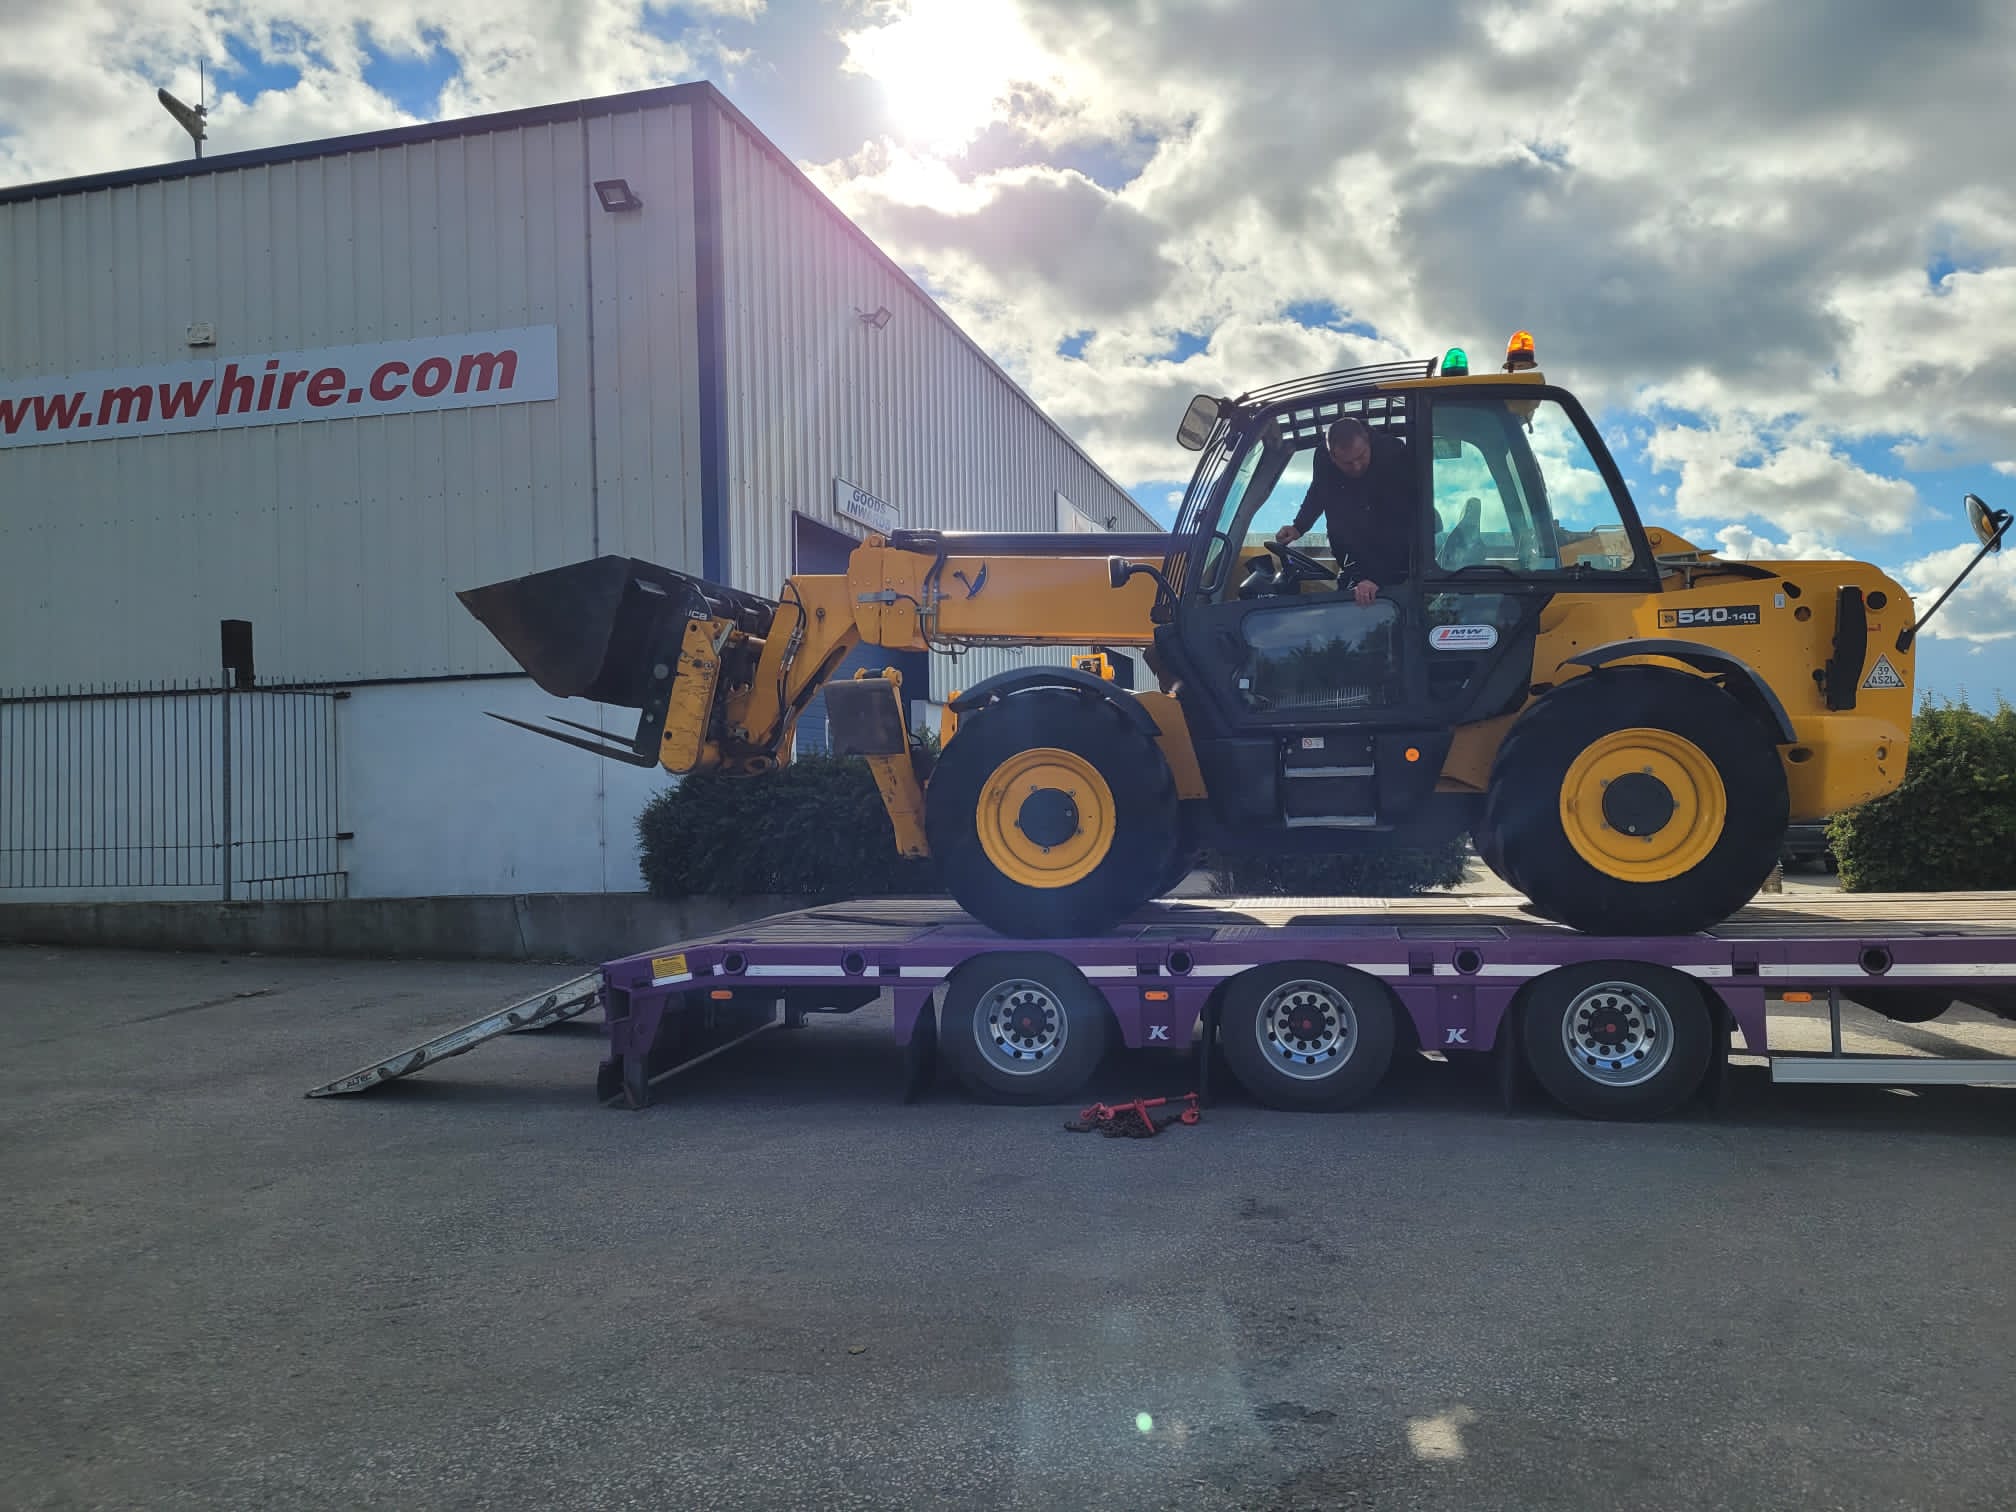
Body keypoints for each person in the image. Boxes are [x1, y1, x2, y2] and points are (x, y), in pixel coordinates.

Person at [1273, 416, 1412, 605]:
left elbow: (1402, 522)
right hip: (1353, 560)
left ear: (1368, 442)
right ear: (1332, 456)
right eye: (1347, 463)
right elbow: (1318, 492)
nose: (1356, 467)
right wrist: (1298, 527)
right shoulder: (1323, 458)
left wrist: (1378, 578)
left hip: (1396, 562)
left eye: (1361, 457)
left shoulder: (1392, 454)